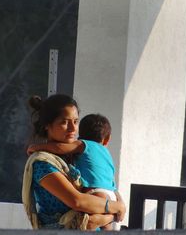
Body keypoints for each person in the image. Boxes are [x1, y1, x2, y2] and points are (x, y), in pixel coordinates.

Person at [22, 94, 125, 230]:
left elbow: (106, 186)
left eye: (75, 122)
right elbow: (77, 201)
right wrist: (116, 208)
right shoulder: (43, 163)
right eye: (64, 122)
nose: (72, 129)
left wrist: (109, 215)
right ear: (47, 125)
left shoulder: (78, 156)